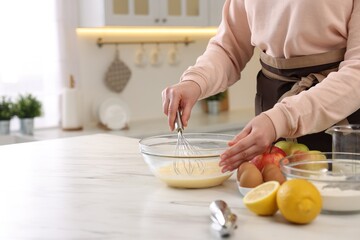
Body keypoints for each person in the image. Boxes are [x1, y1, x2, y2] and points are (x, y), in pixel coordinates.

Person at [162, 0, 360, 173]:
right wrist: (195, 81)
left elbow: (356, 73)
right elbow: (228, 47)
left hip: (340, 123)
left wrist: (281, 119)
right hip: (270, 119)